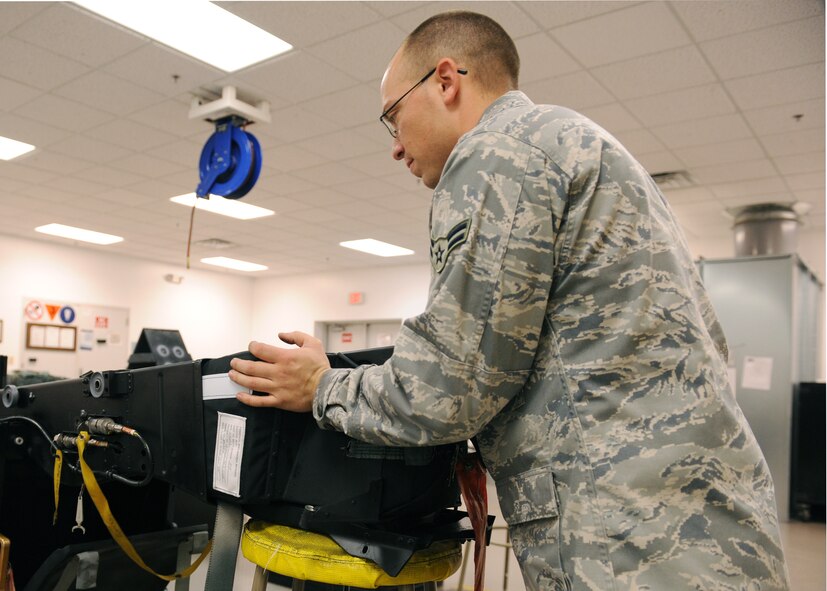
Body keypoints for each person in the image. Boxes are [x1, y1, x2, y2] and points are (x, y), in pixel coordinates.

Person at [230, 11, 790, 591]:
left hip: (626, 539)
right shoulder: (582, 147)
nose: (395, 147)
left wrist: (321, 388)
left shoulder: (495, 153)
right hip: (703, 524)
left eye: (393, 117)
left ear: (446, 81)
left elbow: (449, 387)